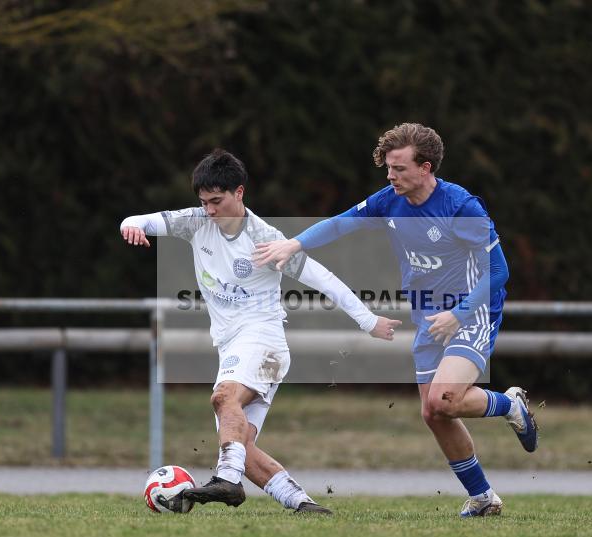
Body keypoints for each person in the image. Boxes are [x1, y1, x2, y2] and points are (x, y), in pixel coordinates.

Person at [253, 123, 538, 517]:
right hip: (428, 315)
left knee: (446, 398)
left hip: (473, 311)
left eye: (399, 168)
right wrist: (295, 243)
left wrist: (459, 314)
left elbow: (499, 271)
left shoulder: (460, 206)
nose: (390, 176)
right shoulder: (390, 200)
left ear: (426, 168)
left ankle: (508, 405)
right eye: (387, 168)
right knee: (433, 413)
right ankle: (483, 497)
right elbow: (340, 222)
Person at [121, 149, 400, 515]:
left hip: (263, 342)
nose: (209, 211)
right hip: (234, 348)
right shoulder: (195, 223)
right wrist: (131, 224)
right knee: (241, 445)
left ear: (239, 193)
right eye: (203, 202)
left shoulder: (267, 239)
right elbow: (140, 219)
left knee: (224, 400)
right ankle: (303, 505)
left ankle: (228, 481)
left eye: (216, 201)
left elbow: (323, 279)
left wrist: (368, 321)